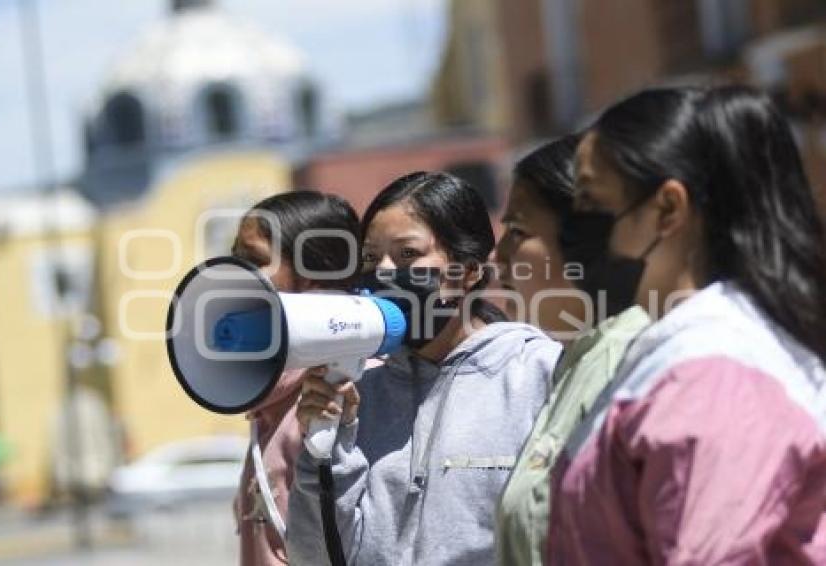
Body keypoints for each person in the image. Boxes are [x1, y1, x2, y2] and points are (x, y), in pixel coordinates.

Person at [548, 86, 826, 564]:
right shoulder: (679, 352)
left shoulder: (717, 373)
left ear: (668, 210)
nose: (571, 230)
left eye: (591, 203)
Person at [286, 172, 563, 566]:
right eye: (370, 257)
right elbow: (313, 555)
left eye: (407, 255)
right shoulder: (362, 392)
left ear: (468, 271)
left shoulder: (536, 375)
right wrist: (325, 452)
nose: (383, 272)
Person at [493, 136, 651, 565]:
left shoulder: (633, 364)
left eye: (518, 232)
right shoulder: (577, 359)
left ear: (587, 240)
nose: (499, 257)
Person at [230, 191, 360, 566]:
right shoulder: (269, 402)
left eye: (252, 260)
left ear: (315, 278)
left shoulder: (352, 386)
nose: (233, 274)